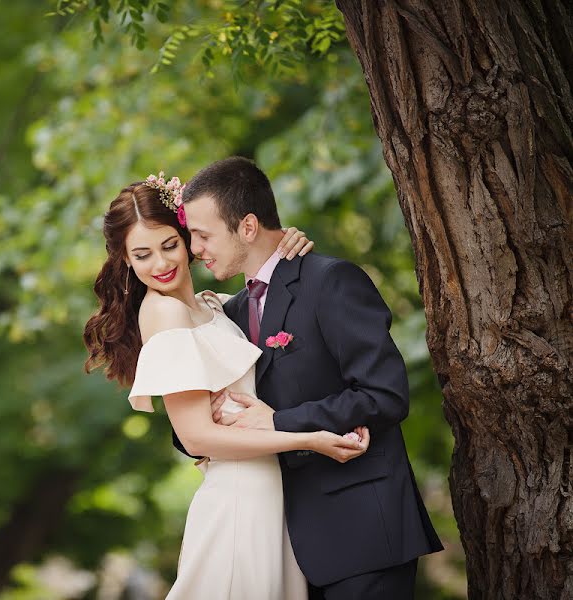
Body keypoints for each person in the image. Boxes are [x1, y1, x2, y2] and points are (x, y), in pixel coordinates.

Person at [83, 172, 370, 600]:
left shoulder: (213, 308)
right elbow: (196, 436)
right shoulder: (163, 314)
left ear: (189, 242)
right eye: (142, 255)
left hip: (274, 497)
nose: (160, 265)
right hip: (239, 499)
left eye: (169, 245)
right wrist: (310, 438)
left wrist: (284, 246)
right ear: (126, 261)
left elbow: (267, 296)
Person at [182, 156, 444, 599]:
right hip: (282, 549)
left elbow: (385, 395)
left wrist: (279, 422)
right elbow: (206, 422)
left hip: (364, 535)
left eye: (203, 235)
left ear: (247, 227)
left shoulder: (331, 282)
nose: (195, 250)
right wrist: (203, 421)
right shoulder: (230, 313)